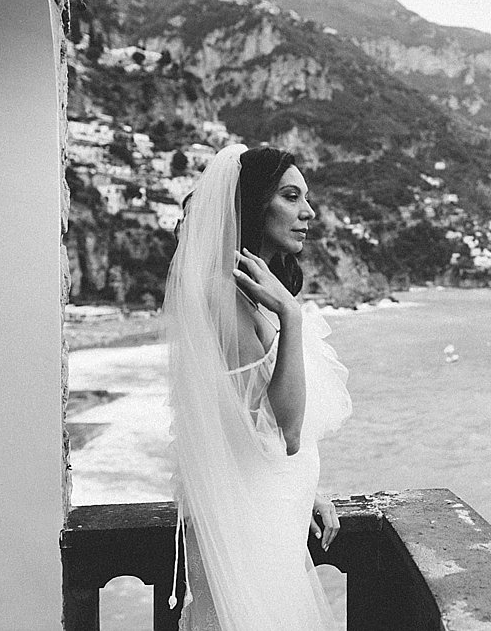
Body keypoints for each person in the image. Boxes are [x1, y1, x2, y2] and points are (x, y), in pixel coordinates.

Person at [164, 144, 352, 630]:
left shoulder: (253, 289)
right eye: (291, 197)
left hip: (278, 504)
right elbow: (282, 431)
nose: (308, 213)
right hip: (253, 525)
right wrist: (290, 315)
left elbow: (248, 417)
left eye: (305, 198)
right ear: (253, 203)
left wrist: (307, 487)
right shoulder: (225, 297)